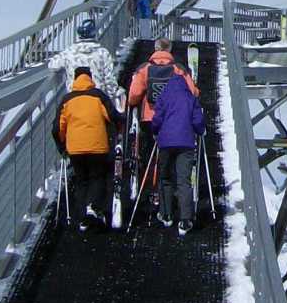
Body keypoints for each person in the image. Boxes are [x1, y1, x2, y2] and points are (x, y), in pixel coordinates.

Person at [51, 17, 121, 218]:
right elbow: (109, 79)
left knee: (81, 175)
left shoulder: (69, 52)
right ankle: (97, 204)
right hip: (98, 102)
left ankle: (81, 214)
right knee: (99, 164)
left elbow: (52, 65)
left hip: (74, 104)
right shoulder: (102, 53)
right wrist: (115, 96)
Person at [126, 38, 198, 225]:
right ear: (170, 50)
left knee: (151, 156)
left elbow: (133, 95)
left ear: (155, 49)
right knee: (175, 164)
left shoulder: (144, 68)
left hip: (150, 119)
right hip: (174, 121)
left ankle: (153, 191)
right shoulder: (179, 70)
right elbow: (192, 93)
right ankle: (177, 200)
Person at [54, 68, 119, 231]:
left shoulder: (66, 100)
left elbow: (57, 128)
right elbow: (113, 116)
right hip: (97, 145)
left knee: (81, 180)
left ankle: (82, 217)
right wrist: (116, 132)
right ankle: (94, 207)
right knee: (98, 177)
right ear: (90, 78)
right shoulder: (98, 96)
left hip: (75, 148)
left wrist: (62, 146)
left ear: (75, 79)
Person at [149, 71, 205, 235]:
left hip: (165, 142)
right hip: (186, 143)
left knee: (165, 177)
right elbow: (198, 121)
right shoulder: (190, 98)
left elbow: (157, 119)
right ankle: (185, 219)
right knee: (183, 180)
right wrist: (200, 131)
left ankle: (166, 214)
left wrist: (155, 131)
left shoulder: (163, 97)